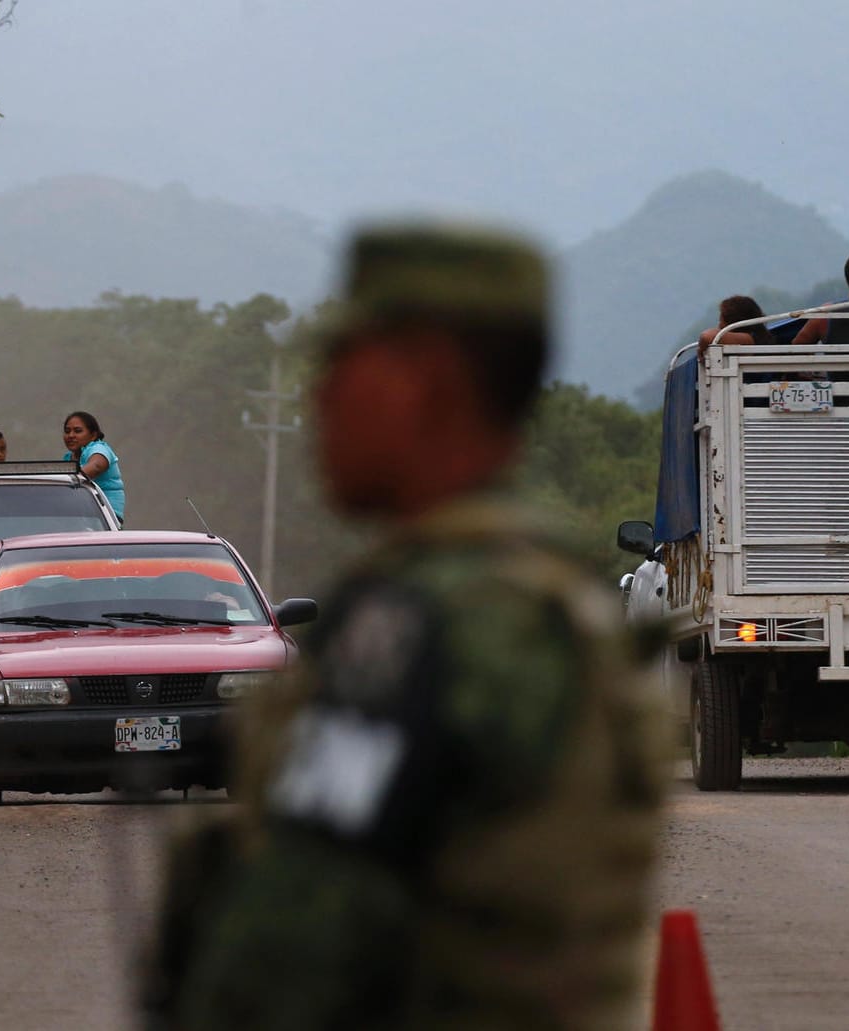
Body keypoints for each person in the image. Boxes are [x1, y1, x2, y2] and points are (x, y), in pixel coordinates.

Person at [143, 223, 669, 1030]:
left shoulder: (437, 623)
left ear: (425, 378)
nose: (318, 397)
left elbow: (293, 953)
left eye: (341, 364)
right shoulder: (525, 593)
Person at [62, 411, 125, 521]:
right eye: (67, 431)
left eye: (78, 431)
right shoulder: (68, 458)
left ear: (93, 435)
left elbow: (96, 466)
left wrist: (65, 480)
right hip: (82, 515)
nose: (71, 435)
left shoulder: (99, 448)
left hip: (105, 517)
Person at [698, 294, 772, 352]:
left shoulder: (749, 340)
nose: (719, 325)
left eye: (721, 320)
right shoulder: (760, 338)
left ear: (732, 323)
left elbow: (706, 336)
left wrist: (702, 349)